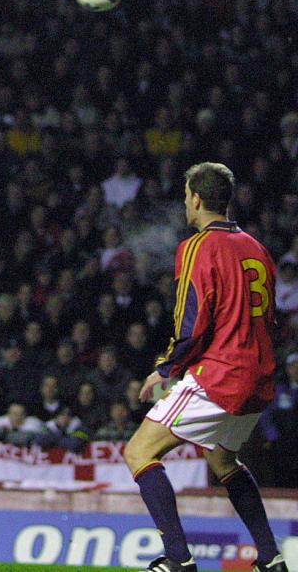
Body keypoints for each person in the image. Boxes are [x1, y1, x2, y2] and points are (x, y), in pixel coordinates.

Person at [123, 163, 288, 572]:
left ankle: (179, 561)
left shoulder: (198, 245)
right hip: (260, 375)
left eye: (185, 196)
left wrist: (166, 367)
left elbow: (192, 319)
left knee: (139, 451)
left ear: (196, 197)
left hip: (222, 373)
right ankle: (270, 558)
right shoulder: (257, 247)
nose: (184, 203)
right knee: (222, 462)